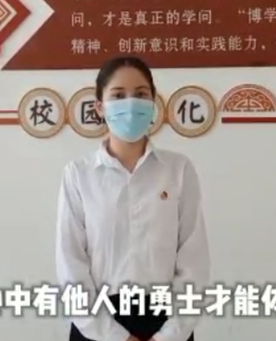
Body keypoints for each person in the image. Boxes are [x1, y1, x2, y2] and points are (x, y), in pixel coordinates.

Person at [56, 55, 211, 341]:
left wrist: (169, 334)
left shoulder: (178, 169)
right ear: (100, 107)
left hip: (167, 323)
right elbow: (71, 264)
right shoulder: (79, 174)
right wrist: (116, 337)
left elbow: (194, 260)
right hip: (97, 326)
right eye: (118, 95)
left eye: (141, 94)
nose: (130, 104)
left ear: (153, 103)